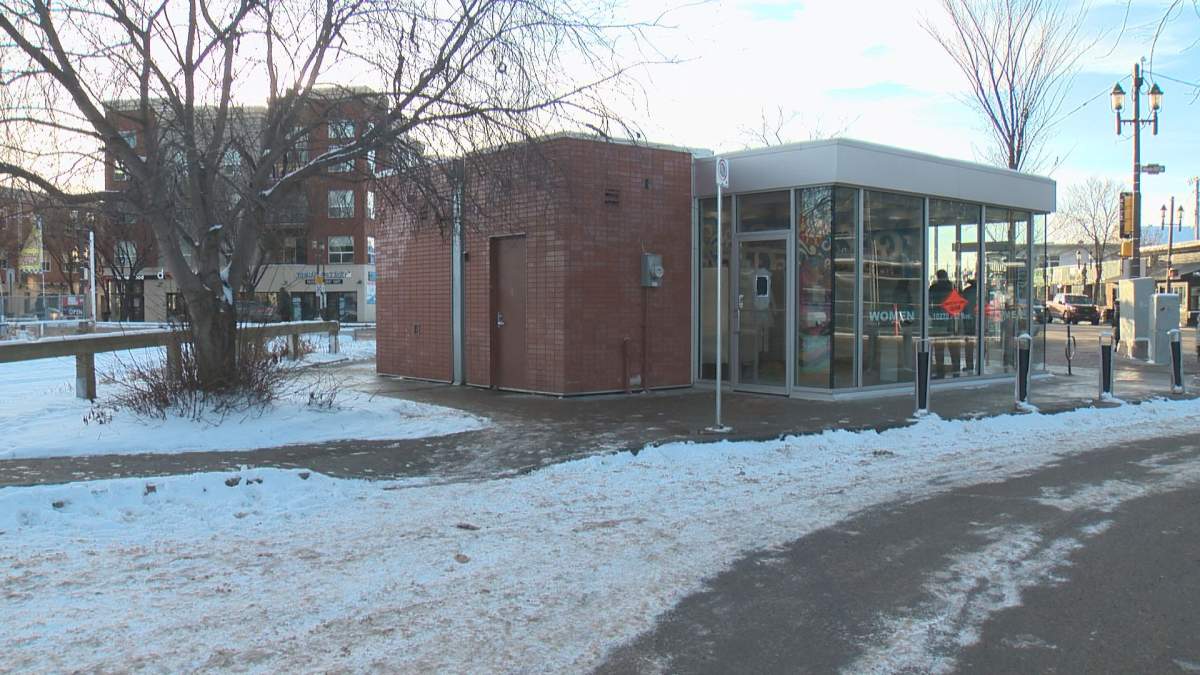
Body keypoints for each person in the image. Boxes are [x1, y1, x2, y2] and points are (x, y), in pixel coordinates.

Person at [928, 270, 961, 378]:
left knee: (939, 348)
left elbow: (928, 304)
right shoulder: (953, 287)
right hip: (951, 320)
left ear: (937, 277)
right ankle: (956, 370)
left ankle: (940, 372)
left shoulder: (933, 288)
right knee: (953, 347)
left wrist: (933, 314)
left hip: (938, 321)